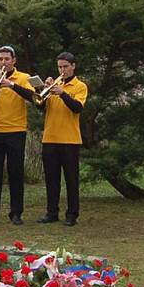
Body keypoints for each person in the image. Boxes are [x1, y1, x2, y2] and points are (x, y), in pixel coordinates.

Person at [0, 45, 35, 226]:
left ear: (14, 60)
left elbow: (33, 96)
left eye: (7, 59)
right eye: (1, 59)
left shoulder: (23, 78)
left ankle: (16, 213)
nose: (3, 62)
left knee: (16, 173)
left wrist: (12, 85)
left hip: (16, 131)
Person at [36, 52, 88, 227]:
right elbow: (40, 106)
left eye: (65, 66)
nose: (62, 70)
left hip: (70, 140)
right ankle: (52, 212)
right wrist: (42, 90)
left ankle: (72, 214)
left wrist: (62, 93)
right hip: (50, 138)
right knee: (51, 179)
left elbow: (77, 108)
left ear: (73, 66)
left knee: (71, 179)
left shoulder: (80, 86)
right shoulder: (54, 86)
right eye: (60, 67)